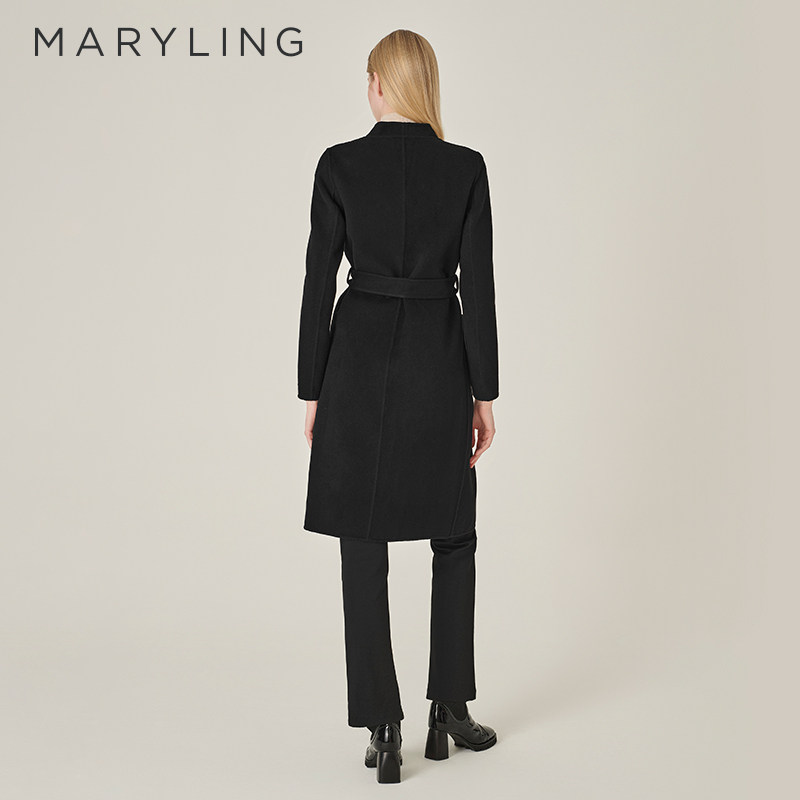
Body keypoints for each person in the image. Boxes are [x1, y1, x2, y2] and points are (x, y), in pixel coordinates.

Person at [297, 29, 499, 783]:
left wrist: (311, 388)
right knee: (455, 536)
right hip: (440, 363)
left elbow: (318, 282)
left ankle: (383, 726)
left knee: (363, 542)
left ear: (379, 84)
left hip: (354, 364)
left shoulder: (339, 165)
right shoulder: (465, 168)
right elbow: (479, 287)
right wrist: (484, 392)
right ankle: (449, 707)